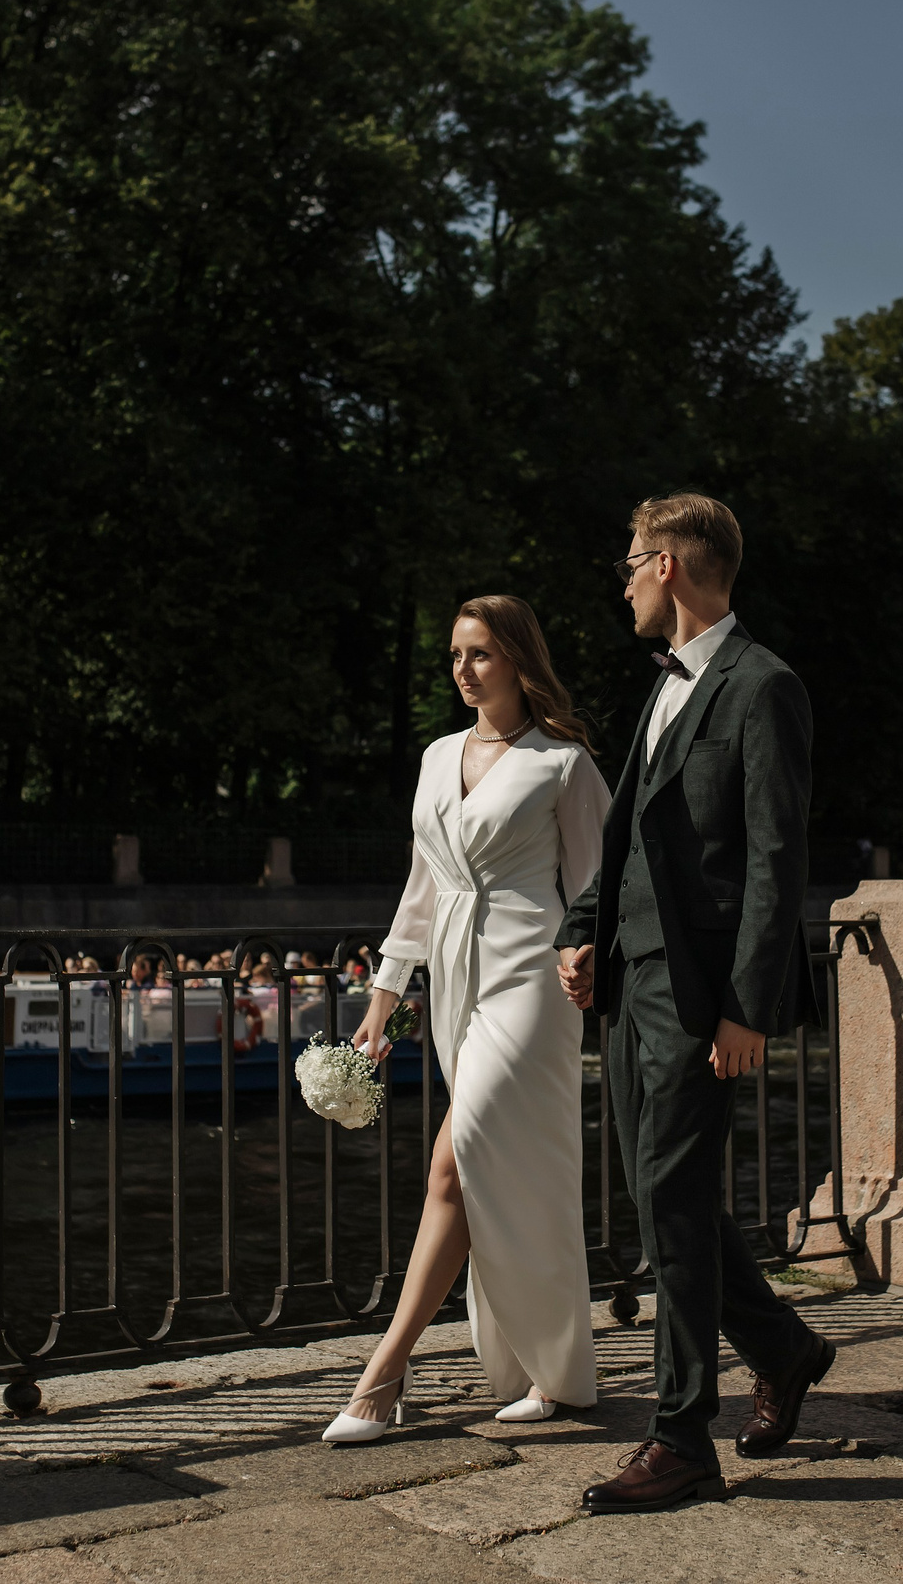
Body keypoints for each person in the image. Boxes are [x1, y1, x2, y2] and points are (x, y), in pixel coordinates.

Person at [555, 492, 836, 1514]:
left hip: (703, 994)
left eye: (631, 561)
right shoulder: (666, 685)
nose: (624, 580)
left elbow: (775, 859)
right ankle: (784, 1347)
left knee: (671, 1201)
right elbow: (630, 834)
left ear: (668, 565)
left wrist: (747, 1008)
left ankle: (681, 1439)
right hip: (634, 982)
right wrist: (581, 929)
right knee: (660, 1195)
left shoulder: (764, 686)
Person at [322, 595, 612, 1444]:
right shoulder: (436, 755)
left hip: (531, 978)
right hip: (454, 980)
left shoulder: (564, 762)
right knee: (501, 1173)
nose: (463, 668)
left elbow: (598, 886)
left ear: (518, 658)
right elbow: (424, 885)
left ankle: (385, 1369)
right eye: (455, 653)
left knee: (458, 1157)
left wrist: (589, 954)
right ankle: (548, 1371)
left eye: (480, 652)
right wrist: (384, 994)